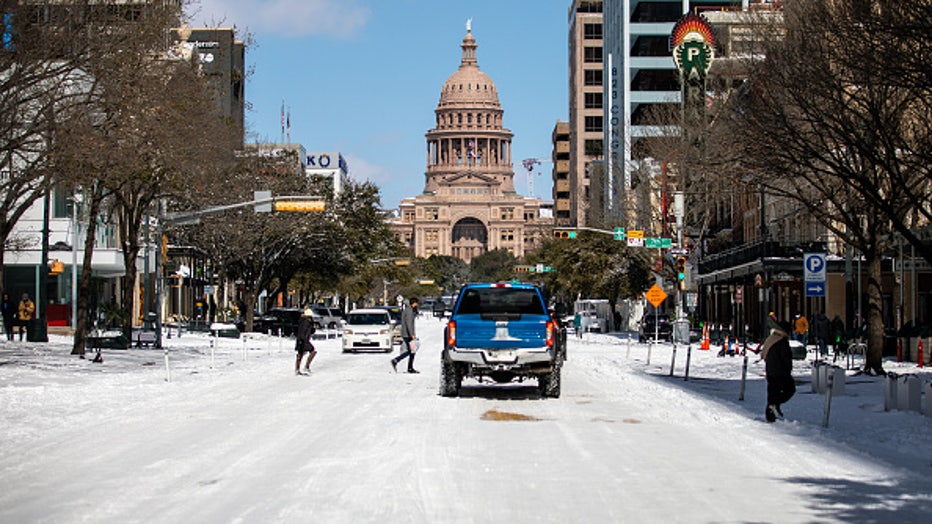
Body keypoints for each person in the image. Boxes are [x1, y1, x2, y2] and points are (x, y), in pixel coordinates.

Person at [762, 320, 796, 423]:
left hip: (770, 370)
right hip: (781, 371)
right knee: (790, 389)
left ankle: (770, 414)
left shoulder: (771, 339)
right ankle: (775, 405)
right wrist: (788, 369)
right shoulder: (782, 341)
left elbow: (764, 353)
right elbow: (786, 358)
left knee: (772, 392)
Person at [391, 297, 419, 373]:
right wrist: (412, 334)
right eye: (416, 303)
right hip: (407, 334)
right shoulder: (409, 311)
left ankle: (409, 367)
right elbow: (409, 323)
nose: (417, 305)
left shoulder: (408, 310)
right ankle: (396, 360)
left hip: (406, 333)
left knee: (412, 351)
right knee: (412, 351)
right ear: (414, 303)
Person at [294, 308, 317, 375]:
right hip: (303, 340)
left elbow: (311, 331)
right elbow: (302, 331)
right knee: (312, 351)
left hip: (303, 339)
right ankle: (305, 367)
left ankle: (298, 369)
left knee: (300, 354)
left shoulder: (307, 321)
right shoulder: (305, 322)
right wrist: (303, 339)